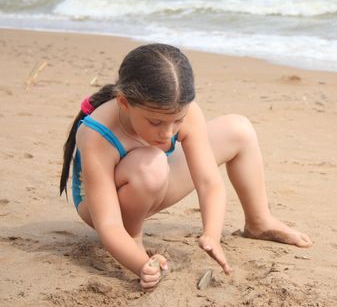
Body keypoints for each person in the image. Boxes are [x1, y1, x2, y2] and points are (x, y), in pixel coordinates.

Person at [59, 43, 312, 292]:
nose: (168, 133)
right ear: (124, 103)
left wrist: (211, 234)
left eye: (177, 120)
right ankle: (134, 238)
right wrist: (140, 265)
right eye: (156, 122)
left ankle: (259, 221)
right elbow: (109, 225)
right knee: (151, 164)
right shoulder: (97, 134)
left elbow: (209, 183)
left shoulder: (183, 112)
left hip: (154, 180)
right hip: (105, 207)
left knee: (239, 129)